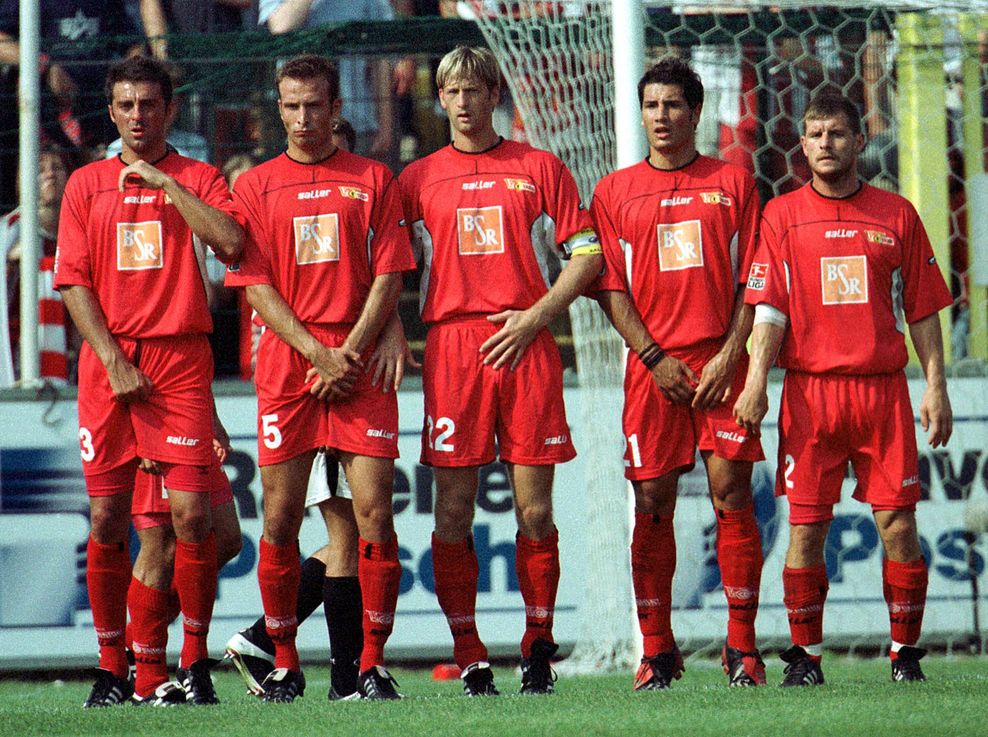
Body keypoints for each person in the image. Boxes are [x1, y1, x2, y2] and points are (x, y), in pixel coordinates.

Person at [398, 46, 603, 697]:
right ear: (441, 99)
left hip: (527, 343)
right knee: (453, 510)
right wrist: (384, 334)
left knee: (534, 510)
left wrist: (538, 314)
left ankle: (538, 645)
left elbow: (587, 255)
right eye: (450, 92)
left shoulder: (539, 167)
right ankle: (469, 651)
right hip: (454, 350)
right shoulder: (418, 178)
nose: (462, 102)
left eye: (472, 90)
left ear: (493, 94)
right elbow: (382, 271)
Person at [733, 92, 953, 685]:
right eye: (814, 134)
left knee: (899, 527)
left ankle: (905, 655)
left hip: (882, 392)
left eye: (836, 134)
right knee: (806, 530)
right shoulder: (780, 216)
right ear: (800, 145)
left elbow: (924, 309)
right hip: (810, 395)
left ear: (859, 142)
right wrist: (756, 382)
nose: (825, 144)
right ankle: (806, 659)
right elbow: (769, 311)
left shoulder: (897, 214)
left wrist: (936, 386)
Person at [54, 55, 244, 707]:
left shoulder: (200, 176)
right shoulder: (85, 185)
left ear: (170, 109)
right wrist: (111, 359)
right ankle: (114, 667)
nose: (138, 115)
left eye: (149, 104)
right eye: (126, 105)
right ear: (111, 112)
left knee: (195, 519)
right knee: (108, 518)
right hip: (110, 366)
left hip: (180, 362)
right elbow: (73, 281)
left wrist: (168, 186)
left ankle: (191, 663)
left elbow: (232, 243)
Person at [224, 54, 415, 702]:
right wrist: (316, 352)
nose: (303, 117)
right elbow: (256, 288)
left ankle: (370, 664)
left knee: (374, 515)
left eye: (314, 105)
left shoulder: (371, 178)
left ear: (337, 109)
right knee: (279, 520)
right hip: (291, 370)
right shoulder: (254, 187)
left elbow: (390, 272)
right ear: (277, 109)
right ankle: (283, 660)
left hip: (358, 370)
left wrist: (349, 353)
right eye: (291, 105)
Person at [590, 56, 766, 691]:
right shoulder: (614, 192)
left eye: (672, 105)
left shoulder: (735, 184)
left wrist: (729, 353)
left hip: (722, 363)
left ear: (695, 112)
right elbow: (609, 286)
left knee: (733, 499)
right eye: (651, 105)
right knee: (652, 504)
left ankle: (742, 647)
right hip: (653, 369)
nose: (660, 116)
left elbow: (757, 278)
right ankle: (658, 650)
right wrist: (654, 358)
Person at [127, 407, 243, 705]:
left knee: (227, 538)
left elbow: (194, 364)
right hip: (159, 419)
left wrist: (212, 419)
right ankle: (150, 674)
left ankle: (134, 642)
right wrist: (141, 433)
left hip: (193, 419)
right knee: (161, 545)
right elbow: (126, 370)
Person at [258, 0, 408, 167]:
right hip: (300, 130)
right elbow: (281, 25)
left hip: (360, 125)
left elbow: (380, 57)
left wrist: (385, 126)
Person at [1, 146, 78, 387]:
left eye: (57, 167)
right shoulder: (10, 231)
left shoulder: (80, 230)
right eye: (40, 169)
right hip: (17, 359)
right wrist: (11, 263)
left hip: (73, 355)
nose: (50, 174)